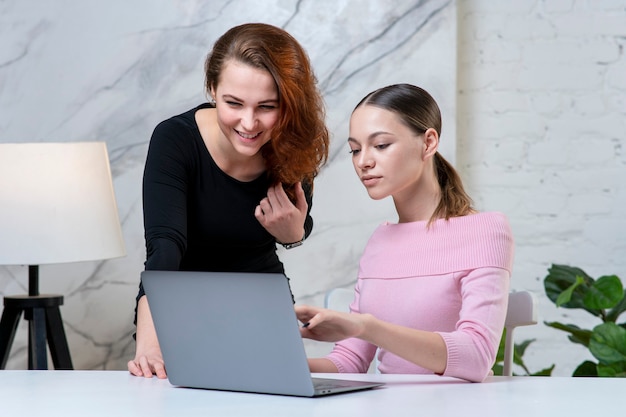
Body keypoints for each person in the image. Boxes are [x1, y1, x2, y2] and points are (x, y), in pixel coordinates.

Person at [128, 23, 329, 378]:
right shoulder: (176, 140)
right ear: (212, 89)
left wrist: (293, 234)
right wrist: (149, 343)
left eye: (267, 107)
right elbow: (164, 248)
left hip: (262, 307)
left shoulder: (294, 139)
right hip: (179, 310)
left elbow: (298, 225)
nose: (249, 123)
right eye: (233, 103)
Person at [295, 83, 513, 383]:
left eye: (381, 145)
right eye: (355, 150)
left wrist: (366, 326)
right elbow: (348, 362)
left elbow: (476, 356)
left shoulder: (485, 230)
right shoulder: (380, 240)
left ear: (428, 142)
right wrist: (278, 365)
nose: (363, 161)